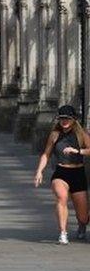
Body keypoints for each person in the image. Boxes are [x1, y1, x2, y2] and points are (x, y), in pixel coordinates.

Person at [34, 105, 90, 244]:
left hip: (78, 173)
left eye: (67, 118)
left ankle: (82, 225)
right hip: (61, 172)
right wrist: (39, 171)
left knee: (83, 216)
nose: (64, 121)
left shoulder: (82, 134)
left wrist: (78, 151)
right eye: (61, 118)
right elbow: (46, 154)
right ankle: (63, 232)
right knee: (61, 197)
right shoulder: (55, 135)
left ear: (74, 119)